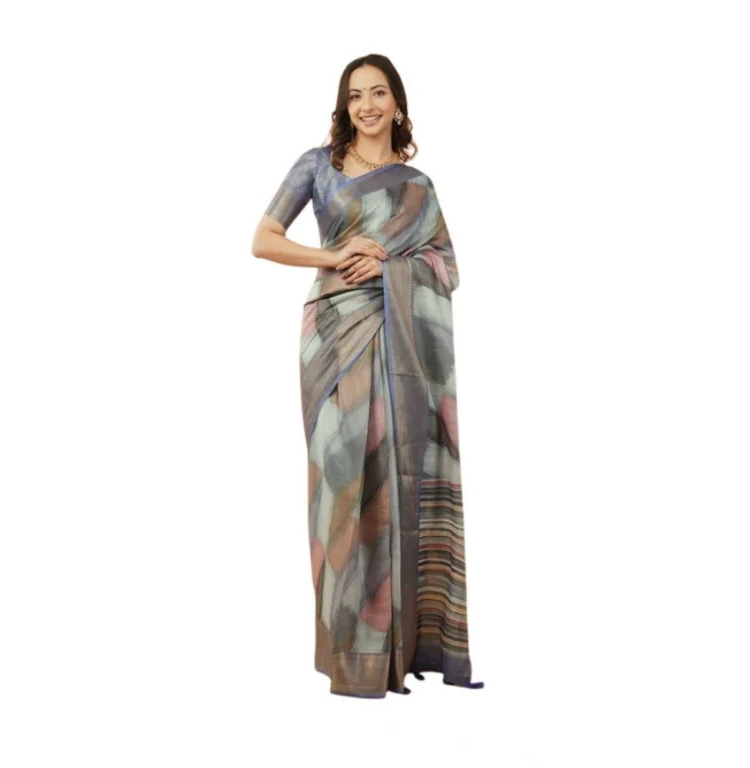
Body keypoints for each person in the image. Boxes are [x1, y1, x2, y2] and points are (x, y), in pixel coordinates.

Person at [252, 53, 483, 698]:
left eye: (378, 93)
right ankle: (349, 652)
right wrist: (335, 253)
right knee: (340, 487)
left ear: (397, 103)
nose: (367, 106)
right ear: (344, 106)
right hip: (333, 339)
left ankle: (398, 648)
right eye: (355, 96)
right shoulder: (317, 166)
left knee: (395, 471)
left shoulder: (418, 186)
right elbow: (264, 239)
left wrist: (389, 268)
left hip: (397, 340)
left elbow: (446, 267)